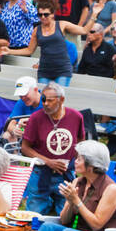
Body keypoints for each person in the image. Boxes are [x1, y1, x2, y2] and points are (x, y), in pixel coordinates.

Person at [20, 83, 86, 215]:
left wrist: (75, 164)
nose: (45, 104)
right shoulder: (36, 118)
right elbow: (25, 148)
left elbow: (81, 143)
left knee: (65, 217)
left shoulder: (76, 117)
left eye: (50, 100)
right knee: (34, 216)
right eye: (43, 99)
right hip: (40, 173)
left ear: (61, 99)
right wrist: (49, 162)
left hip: (65, 174)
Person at [0, 0, 89, 87]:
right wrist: (9, 51)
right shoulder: (36, 30)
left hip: (62, 70)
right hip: (45, 70)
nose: (43, 17)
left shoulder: (62, 25)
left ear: (53, 14)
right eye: (40, 15)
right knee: (44, 98)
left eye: (46, 14)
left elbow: (84, 31)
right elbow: (29, 50)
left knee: (57, 97)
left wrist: (94, 15)